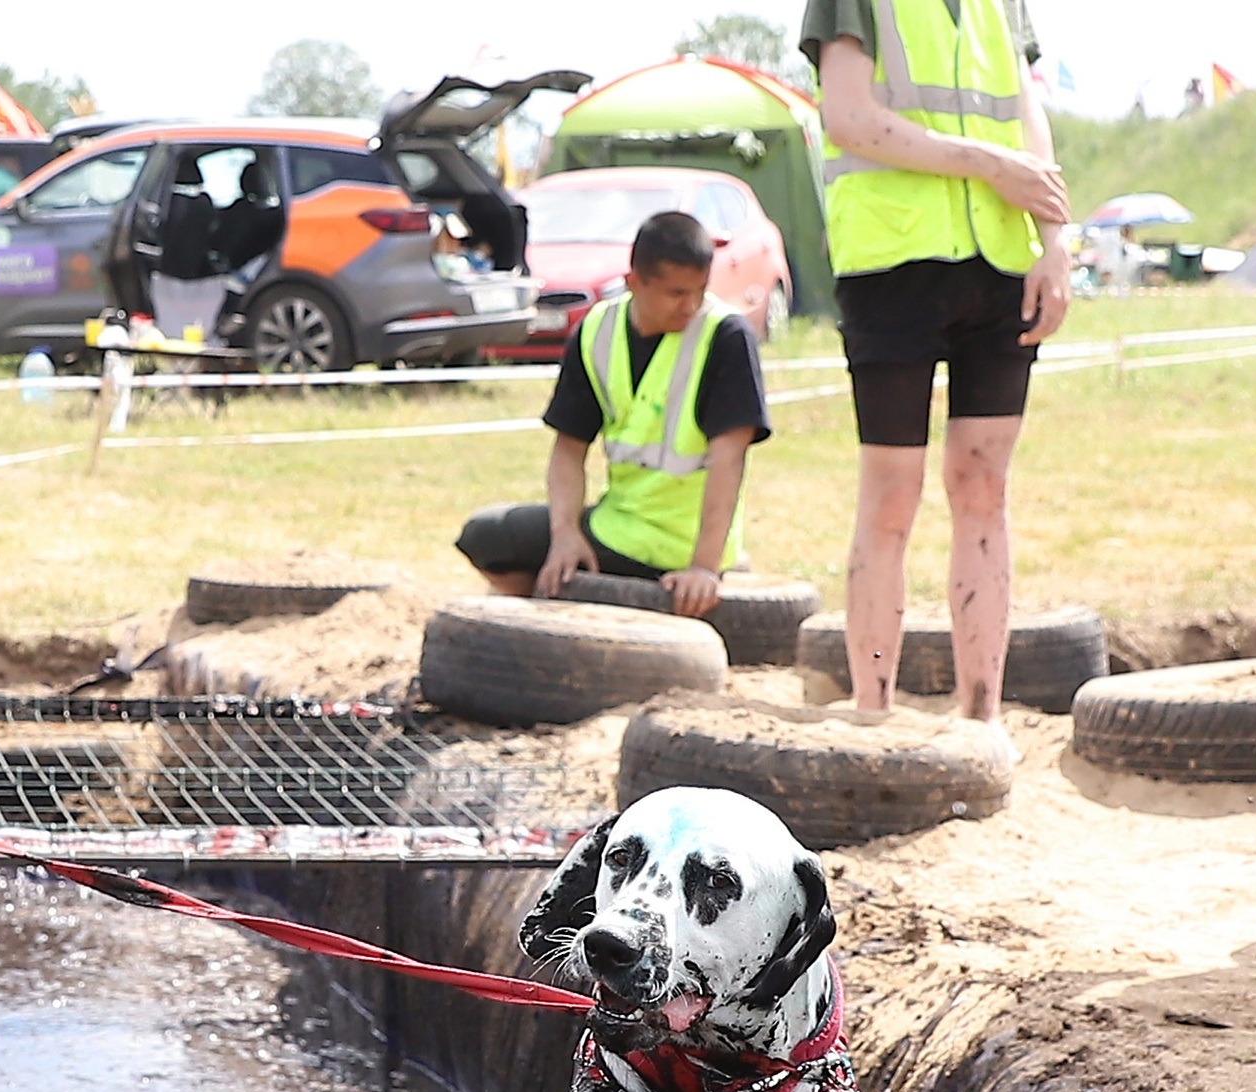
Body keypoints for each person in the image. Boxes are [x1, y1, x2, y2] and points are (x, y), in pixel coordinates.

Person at [804, 0, 1072, 722]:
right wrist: (989, 165)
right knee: (892, 493)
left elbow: (1025, 110)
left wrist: (1055, 242)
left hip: (1000, 259)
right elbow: (849, 117)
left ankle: (982, 715)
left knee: (984, 487)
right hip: (892, 262)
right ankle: (872, 710)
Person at [454, 211, 772, 618]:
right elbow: (568, 448)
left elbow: (730, 460)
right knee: (486, 536)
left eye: (699, 290)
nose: (690, 306)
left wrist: (704, 568)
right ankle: (544, 610)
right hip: (614, 527)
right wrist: (565, 534)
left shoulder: (726, 337)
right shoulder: (597, 330)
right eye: (676, 293)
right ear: (633, 282)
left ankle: (557, 608)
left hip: (681, 546)